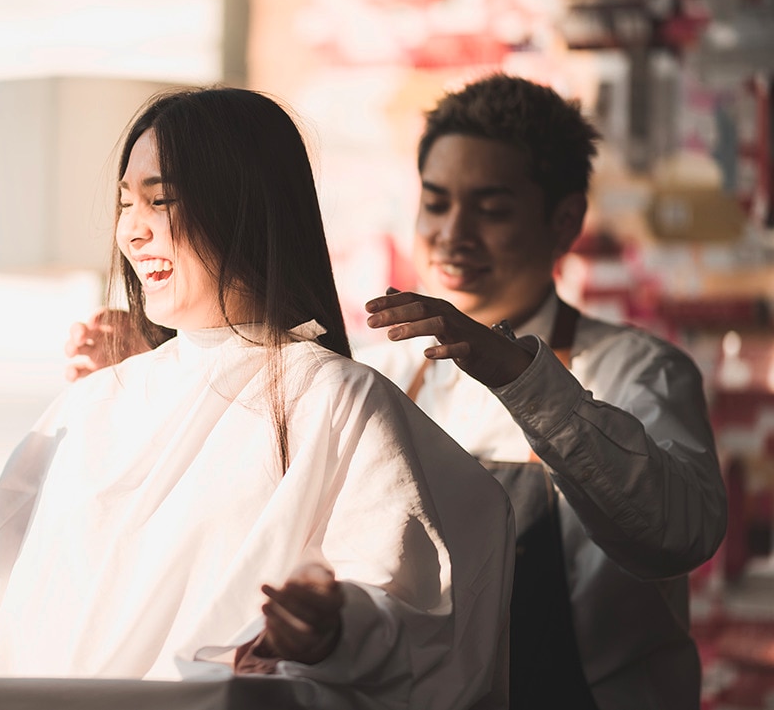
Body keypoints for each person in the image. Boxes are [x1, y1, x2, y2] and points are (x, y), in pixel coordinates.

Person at [0, 87, 514, 710]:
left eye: (161, 199)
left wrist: (335, 625)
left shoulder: (335, 399)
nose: (133, 229)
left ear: (241, 202)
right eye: (126, 201)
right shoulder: (96, 403)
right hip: (40, 693)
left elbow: (417, 608)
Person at [66, 75, 728, 710]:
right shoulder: (374, 374)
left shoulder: (639, 369)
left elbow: (676, 534)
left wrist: (519, 377)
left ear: (565, 221)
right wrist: (159, 367)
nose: (452, 233)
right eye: (436, 201)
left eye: (491, 209)